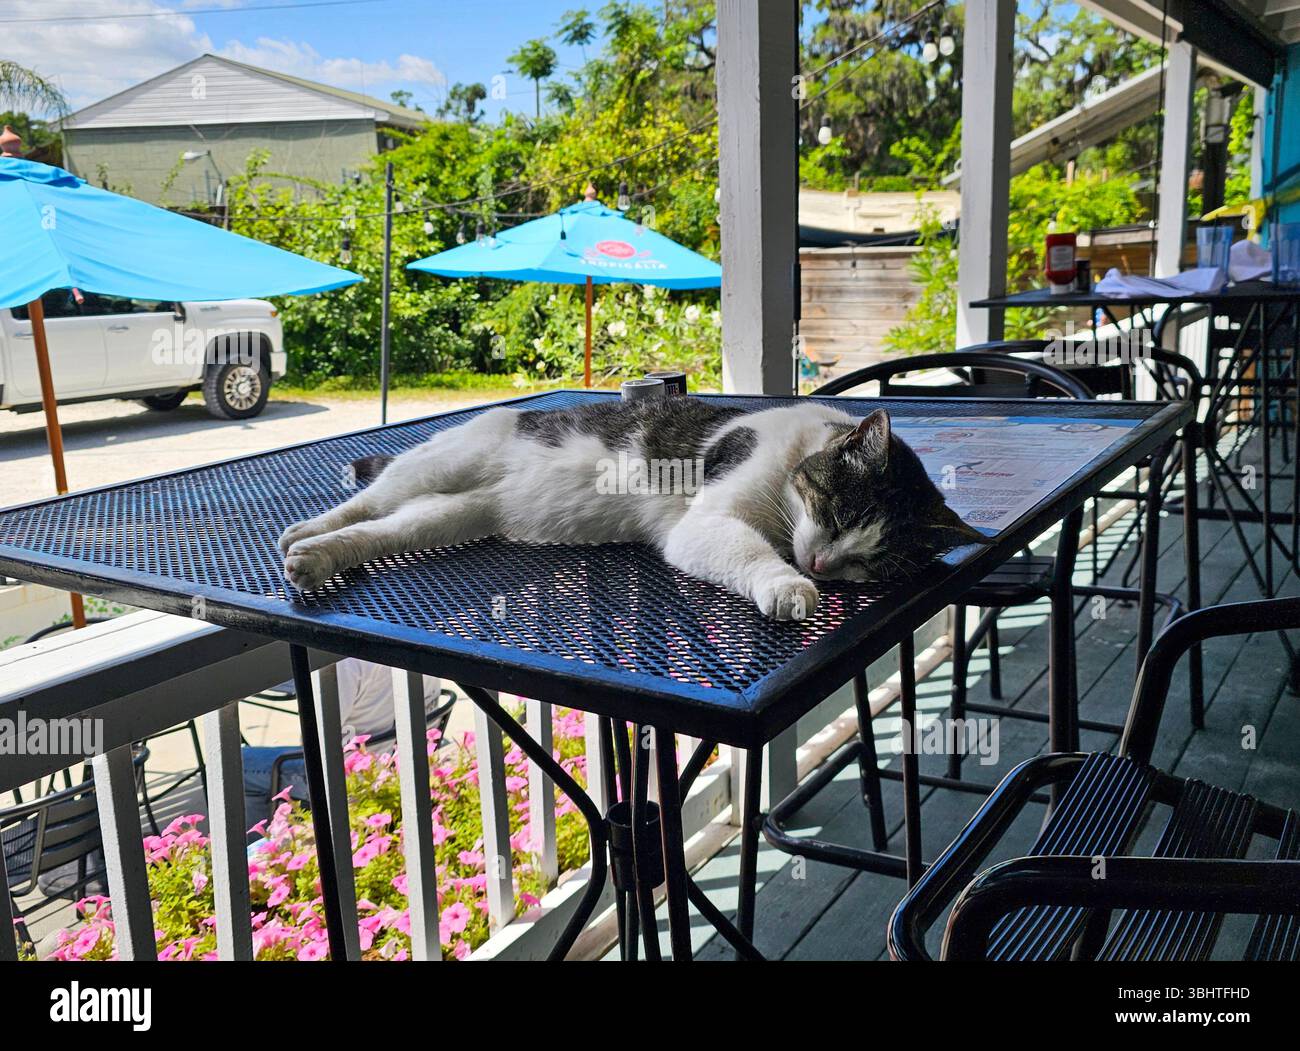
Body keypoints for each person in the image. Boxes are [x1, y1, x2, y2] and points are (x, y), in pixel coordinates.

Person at [242, 659, 443, 828]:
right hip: (400, 762)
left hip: (350, 780)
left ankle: (260, 852)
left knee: (237, 765)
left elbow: (313, 744)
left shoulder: (341, 662)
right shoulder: (415, 632)